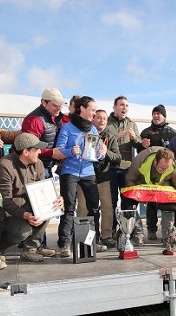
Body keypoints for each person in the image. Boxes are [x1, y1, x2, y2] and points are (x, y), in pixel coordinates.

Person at [0, 133, 60, 262]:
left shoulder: (38, 163)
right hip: (8, 213)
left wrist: (56, 198)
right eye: (36, 149)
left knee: (49, 208)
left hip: (28, 206)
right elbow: (5, 200)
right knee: (22, 231)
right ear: (25, 152)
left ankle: (30, 249)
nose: (40, 152)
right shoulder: (4, 166)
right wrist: (25, 215)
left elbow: (42, 190)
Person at [55, 96, 107, 258]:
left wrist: (102, 154)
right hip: (69, 171)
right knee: (69, 207)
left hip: (88, 171)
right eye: (92, 109)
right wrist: (71, 151)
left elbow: (96, 153)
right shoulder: (67, 128)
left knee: (94, 207)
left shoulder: (92, 129)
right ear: (81, 109)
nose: (94, 113)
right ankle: (65, 243)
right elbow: (58, 150)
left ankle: (94, 240)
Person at [76, 109, 121, 247]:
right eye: (99, 118)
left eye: (105, 119)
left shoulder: (110, 137)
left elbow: (117, 158)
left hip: (103, 179)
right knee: (83, 208)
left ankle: (106, 235)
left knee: (107, 207)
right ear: (93, 119)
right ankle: (82, 237)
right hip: (84, 178)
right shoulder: (83, 134)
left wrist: (106, 151)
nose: (102, 121)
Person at [105, 96, 144, 244]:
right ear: (114, 107)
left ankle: (129, 231)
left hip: (127, 169)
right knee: (112, 203)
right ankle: (112, 231)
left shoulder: (132, 124)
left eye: (127, 105)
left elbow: (140, 146)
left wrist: (136, 139)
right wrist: (116, 136)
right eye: (121, 105)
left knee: (128, 202)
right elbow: (101, 141)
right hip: (110, 169)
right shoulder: (107, 123)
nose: (124, 107)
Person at [125, 147, 176, 245]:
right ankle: (138, 234)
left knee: (171, 203)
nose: (163, 171)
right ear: (155, 162)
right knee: (128, 203)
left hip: (162, 185)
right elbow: (129, 180)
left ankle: (168, 235)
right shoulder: (139, 161)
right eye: (161, 168)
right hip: (141, 184)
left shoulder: (174, 166)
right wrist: (138, 196)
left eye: (166, 169)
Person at [136, 104, 176, 240]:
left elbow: (175, 153)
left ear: (164, 116)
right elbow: (139, 153)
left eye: (159, 113)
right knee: (152, 203)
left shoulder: (171, 132)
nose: (156, 115)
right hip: (151, 173)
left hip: (167, 173)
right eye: (154, 113)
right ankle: (151, 229)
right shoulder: (146, 132)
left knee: (169, 202)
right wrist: (142, 145)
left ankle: (171, 230)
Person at [21, 88, 68, 178]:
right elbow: (28, 147)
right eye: (55, 105)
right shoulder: (34, 120)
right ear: (44, 103)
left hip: (50, 165)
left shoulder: (59, 117)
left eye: (60, 105)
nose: (59, 108)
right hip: (35, 167)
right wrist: (51, 153)